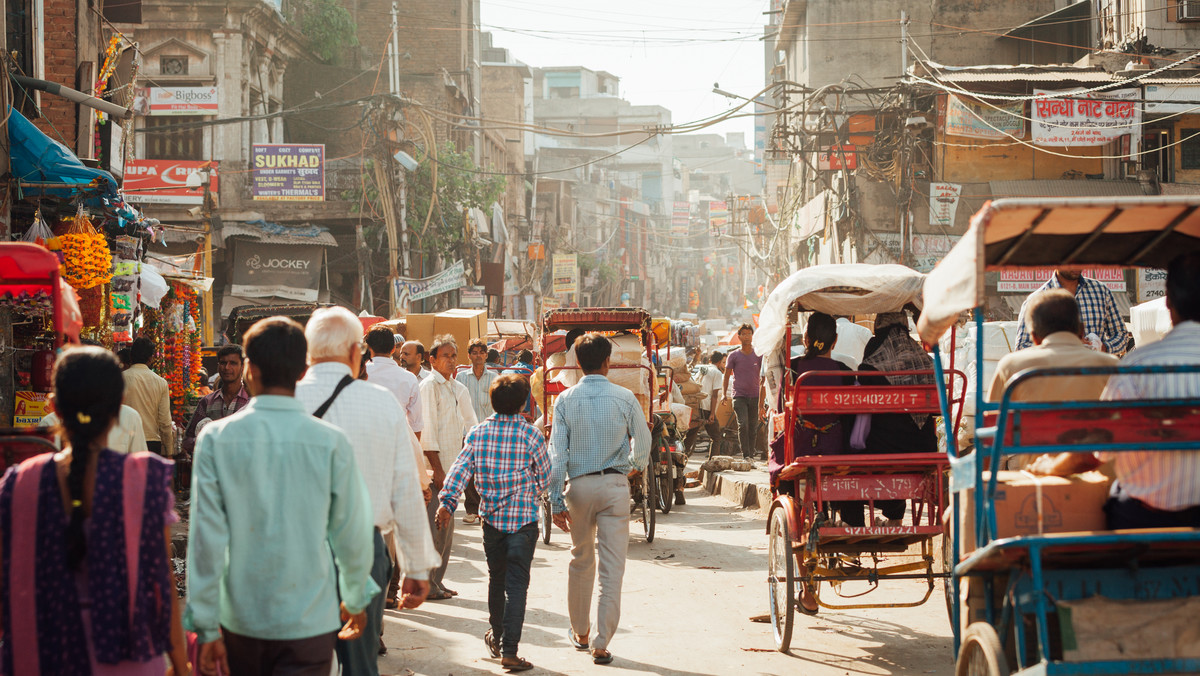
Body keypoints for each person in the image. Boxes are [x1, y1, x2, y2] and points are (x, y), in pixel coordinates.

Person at [186, 317, 378, 676]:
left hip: (240, 620)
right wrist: (354, 597)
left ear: (249, 370)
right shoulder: (331, 441)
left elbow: (206, 539)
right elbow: (351, 532)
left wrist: (206, 624)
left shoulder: (215, 439)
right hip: (311, 620)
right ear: (302, 371)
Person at [0, 346, 189, 676]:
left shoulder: (19, 483)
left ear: (54, 408)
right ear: (118, 407)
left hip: (42, 654)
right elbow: (161, 583)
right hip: (127, 657)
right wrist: (180, 663)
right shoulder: (142, 480)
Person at [296, 308, 437, 675]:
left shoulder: (285, 401)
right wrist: (416, 567)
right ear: (356, 352)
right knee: (360, 663)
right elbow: (405, 487)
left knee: (301, 661)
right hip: (363, 546)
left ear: (309, 352)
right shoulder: (381, 403)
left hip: (297, 548)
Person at [1032, 253, 1200, 529]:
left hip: (1148, 517)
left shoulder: (1138, 366)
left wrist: (1051, 468)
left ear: (1168, 302)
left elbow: (1094, 450)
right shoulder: (1127, 366)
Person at [548, 334, 652, 666]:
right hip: (615, 486)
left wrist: (554, 500)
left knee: (580, 559)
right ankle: (602, 642)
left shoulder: (565, 400)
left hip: (578, 487)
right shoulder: (624, 397)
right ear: (608, 363)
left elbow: (557, 456)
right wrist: (633, 468)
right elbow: (645, 442)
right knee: (612, 568)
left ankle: (580, 632)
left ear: (577, 363)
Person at [436, 375, 551, 672]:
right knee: (517, 586)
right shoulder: (532, 435)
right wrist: (531, 492)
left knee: (497, 580)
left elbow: (460, 471)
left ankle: (498, 638)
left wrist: (447, 503)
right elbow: (545, 476)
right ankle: (509, 651)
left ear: (492, 401)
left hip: (493, 523)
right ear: (524, 402)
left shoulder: (478, 433)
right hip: (524, 521)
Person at [988, 290, 1118, 469]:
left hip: (1036, 481)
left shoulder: (1011, 366)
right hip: (1100, 479)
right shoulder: (1111, 365)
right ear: (1081, 330)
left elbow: (991, 431)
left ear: (1033, 336)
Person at [848, 310, 938, 527]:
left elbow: (863, 399)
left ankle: (854, 517)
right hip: (923, 446)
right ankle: (895, 516)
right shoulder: (924, 358)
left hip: (881, 448)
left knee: (868, 434)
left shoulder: (874, 356)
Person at [419, 334, 479, 600]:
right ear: (432, 359)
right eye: (446, 355)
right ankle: (428, 584)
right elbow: (428, 433)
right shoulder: (429, 386)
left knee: (447, 531)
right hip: (435, 471)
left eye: (454, 356)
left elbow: (473, 426)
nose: (452, 361)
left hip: (454, 472)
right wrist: (440, 471)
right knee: (435, 529)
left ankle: (437, 582)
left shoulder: (458, 389)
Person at [1015, 268, 1131, 355]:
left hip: (1094, 374)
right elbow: (1022, 347)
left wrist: (1103, 348)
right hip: (1054, 378)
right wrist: (1059, 349)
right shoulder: (1036, 300)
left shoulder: (1101, 291)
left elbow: (1121, 334)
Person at [456, 338, 498, 526]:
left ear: (486, 355)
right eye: (475, 352)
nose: (478, 356)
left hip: (490, 431)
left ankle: (487, 508)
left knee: (488, 470)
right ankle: (472, 510)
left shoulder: (494, 377)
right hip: (467, 430)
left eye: (482, 352)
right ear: (469, 355)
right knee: (470, 471)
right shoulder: (461, 377)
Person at [182, 345, 250, 458]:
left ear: (242, 367)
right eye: (223, 363)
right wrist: (208, 443)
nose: (227, 368)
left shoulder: (250, 402)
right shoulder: (207, 402)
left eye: (233, 363)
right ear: (218, 366)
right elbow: (187, 440)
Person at [364, 326, 424, 438]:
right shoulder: (409, 378)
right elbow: (416, 424)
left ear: (368, 348)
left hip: (364, 442)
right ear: (392, 349)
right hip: (398, 442)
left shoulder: (359, 374)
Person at [123, 337, 174, 456]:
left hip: (125, 441)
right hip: (151, 442)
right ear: (151, 358)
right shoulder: (160, 382)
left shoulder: (120, 378)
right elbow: (165, 421)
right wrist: (169, 451)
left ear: (131, 356)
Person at [723, 323, 765, 460]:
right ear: (739, 336)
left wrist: (762, 402)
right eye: (744, 334)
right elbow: (726, 375)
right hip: (739, 396)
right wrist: (724, 394)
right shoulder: (733, 356)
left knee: (753, 427)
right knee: (743, 424)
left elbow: (763, 378)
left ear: (752, 336)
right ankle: (745, 454)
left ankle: (751, 455)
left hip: (755, 396)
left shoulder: (758, 355)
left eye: (749, 333)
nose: (747, 336)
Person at [684, 351, 725, 454]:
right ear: (720, 362)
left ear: (710, 360)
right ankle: (713, 461)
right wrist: (712, 414)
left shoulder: (703, 369)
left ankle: (681, 458)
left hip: (696, 405)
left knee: (691, 435)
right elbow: (714, 395)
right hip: (706, 406)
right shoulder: (717, 373)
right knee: (716, 437)